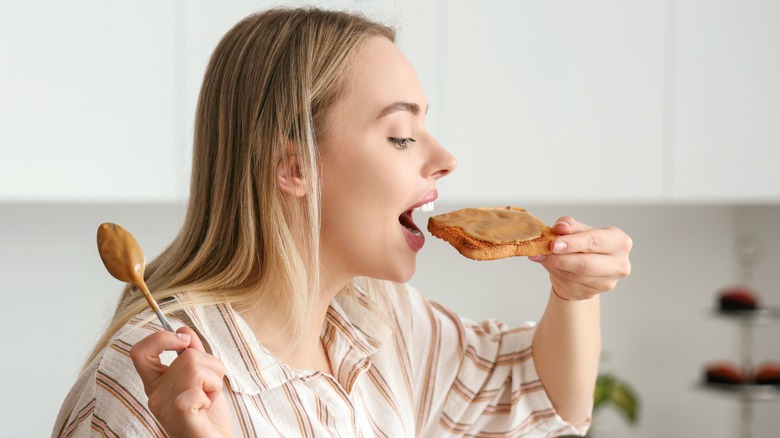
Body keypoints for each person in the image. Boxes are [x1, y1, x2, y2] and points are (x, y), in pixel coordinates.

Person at [53, 7, 632, 437]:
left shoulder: (381, 325)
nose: (445, 159)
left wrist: (574, 292)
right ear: (294, 166)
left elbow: (534, 397)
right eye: (402, 136)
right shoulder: (150, 389)